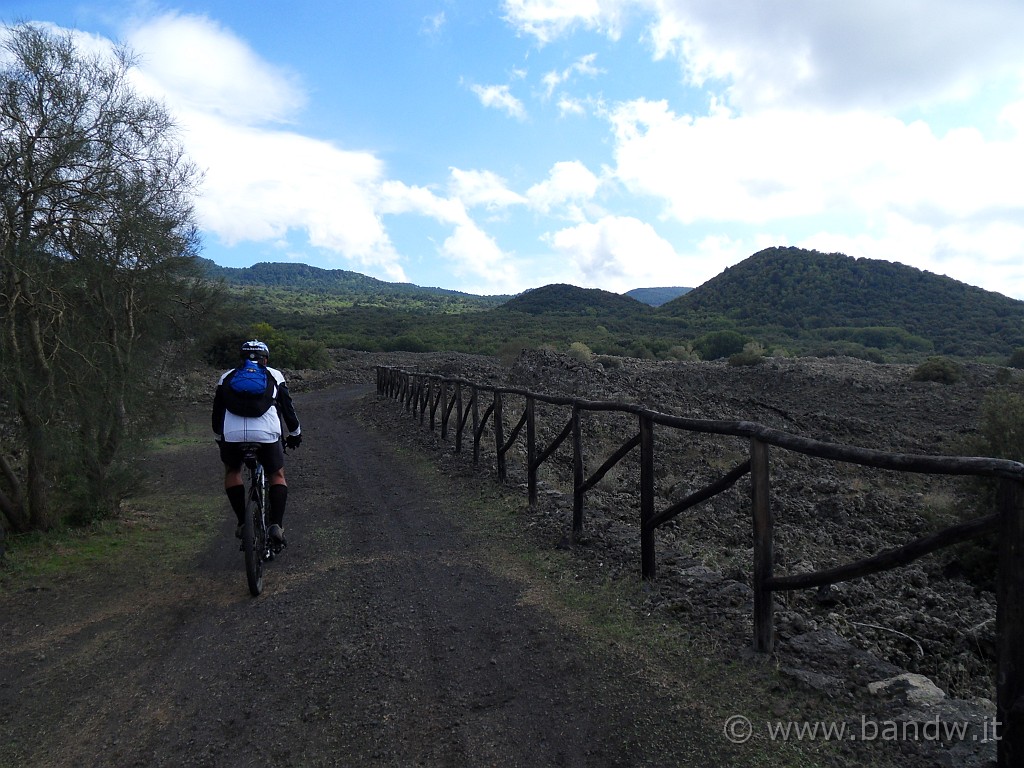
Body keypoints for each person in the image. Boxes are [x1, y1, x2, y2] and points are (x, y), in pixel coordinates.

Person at [212, 339, 302, 546]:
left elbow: (217, 414)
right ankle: (276, 526)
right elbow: (288, 409)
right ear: (266, 359)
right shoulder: (274, 375)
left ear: (242, 358)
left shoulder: (226, 377)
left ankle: (243, 523)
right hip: (266, 434)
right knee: (277, 476)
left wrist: (220, 438)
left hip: (232, 435)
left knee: (233, 472)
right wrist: (295, 433)